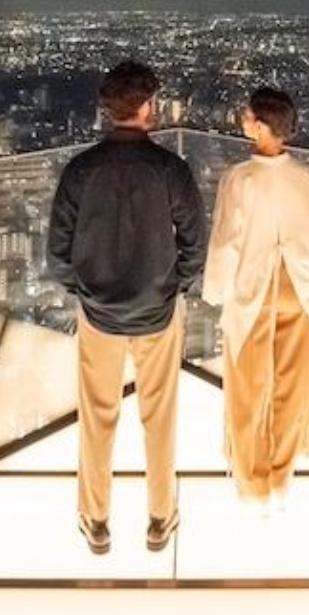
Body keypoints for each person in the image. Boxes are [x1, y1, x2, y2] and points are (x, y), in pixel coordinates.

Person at [47, 61, 207, 554]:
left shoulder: (80, 170)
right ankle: (161, 516)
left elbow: (58, 253)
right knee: (160, 417)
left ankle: (96, 520)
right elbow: (195, 245)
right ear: (147, 108)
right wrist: (170, 286)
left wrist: (88, 291)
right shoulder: (170, 170)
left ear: (107, 110)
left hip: (99, 315)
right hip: (158, 312)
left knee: (98, 417)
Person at [201, 86, 309, 512]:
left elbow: (226, 244)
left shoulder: (240, 179)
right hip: (299, 290)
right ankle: (281, 474)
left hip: (254, 293)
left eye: (247, 115)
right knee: (292, 387)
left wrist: (217, 292)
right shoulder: (305, 177)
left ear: (260, 124)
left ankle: (253, 479)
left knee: (247, 386)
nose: (241, 119)